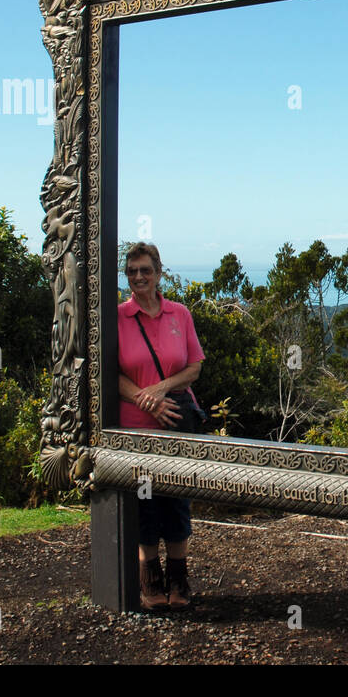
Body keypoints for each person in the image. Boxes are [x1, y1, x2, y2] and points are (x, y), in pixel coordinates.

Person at [118, 242, 204, 611]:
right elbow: (111, 373)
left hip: (177, 428)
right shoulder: (118, 317)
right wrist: (143, 398)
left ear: (159, 272)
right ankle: (150, 580)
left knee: (177, 502)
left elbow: (194, 367)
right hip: (136, 428)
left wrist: (160, 388)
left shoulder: (179, 314)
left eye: (145, 270)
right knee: (144, 505)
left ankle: (179, 579)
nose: (139, 277)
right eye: (133, 271)